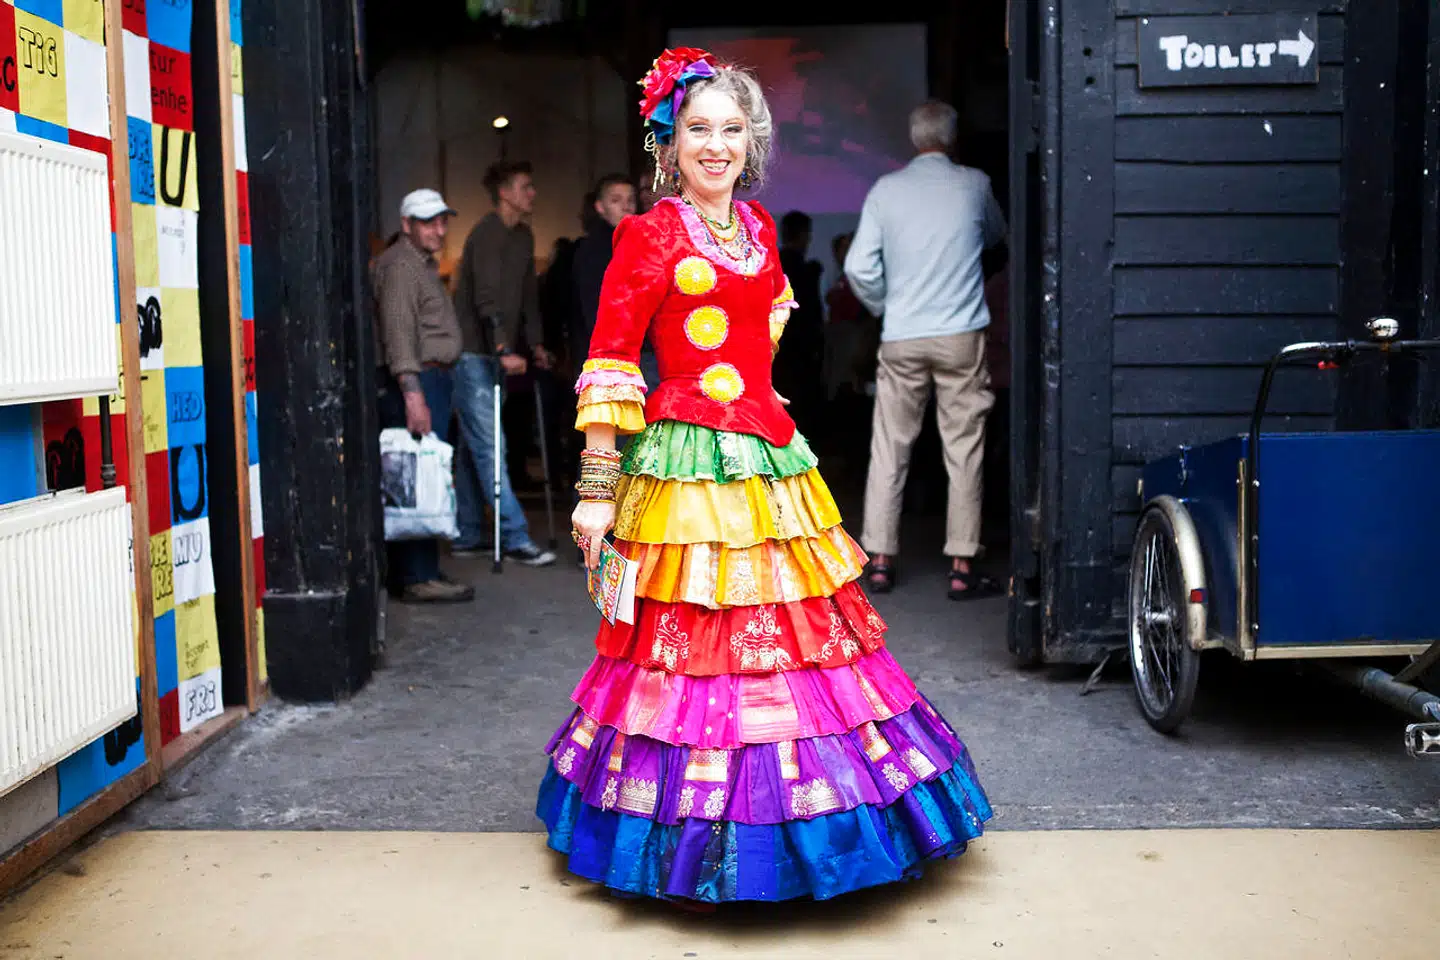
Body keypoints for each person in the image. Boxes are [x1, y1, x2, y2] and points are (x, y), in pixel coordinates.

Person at [538, 48, 992, 907]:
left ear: (755, 140)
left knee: (800, 641)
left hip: (766, 455)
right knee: (693, 646)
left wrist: (763, 412)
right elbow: (608, 357)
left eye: (732, 130)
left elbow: (762, 339)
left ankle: (810, 834)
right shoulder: (649, 232)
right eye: (697, 130)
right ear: (668, 143)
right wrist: (598, 489)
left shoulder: (758, 229)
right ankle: (698, 841)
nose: (716, 146)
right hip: (681, 463)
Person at [844, 99, 1007, 600]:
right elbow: (998, 237)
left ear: (913, 140)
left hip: (902, 333)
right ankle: (961, 563)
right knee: (964, 448)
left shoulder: (885, 191)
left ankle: (880, 559)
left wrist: (885, 306)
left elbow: (857, 267)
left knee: (890, 445)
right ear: (953, 139)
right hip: (960, 333)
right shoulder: (975, 184)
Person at [448, 160, 557, 567]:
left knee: (473, 446)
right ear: (505, 193)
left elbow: (528, 297)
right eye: (525, 187)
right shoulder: (485, 234)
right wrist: (500, 347)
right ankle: (513, 537)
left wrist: (537, 344)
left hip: (499, 353)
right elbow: (486, 298)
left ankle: (466, 532)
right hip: (475, 353)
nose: (532, 194)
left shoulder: (524, 237)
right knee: (492, 445)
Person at [372, 188, 474, 603]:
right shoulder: (400, 266)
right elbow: (398, 335)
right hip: (417, 382)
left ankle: (423, 569)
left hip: (430, 380)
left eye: (442, 220)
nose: (439, 229)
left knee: (425, 474)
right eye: (429, 222)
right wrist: (413, 394)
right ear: (406, 225)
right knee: (414, 475)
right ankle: (416, 575)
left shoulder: (418, 263)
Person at [772, 210, 825, 444]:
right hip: (801, 347)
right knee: (801, 403)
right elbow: (811, 311)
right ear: (804, 235)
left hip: (779, 344)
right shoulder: (805, 268)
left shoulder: (775, 263)